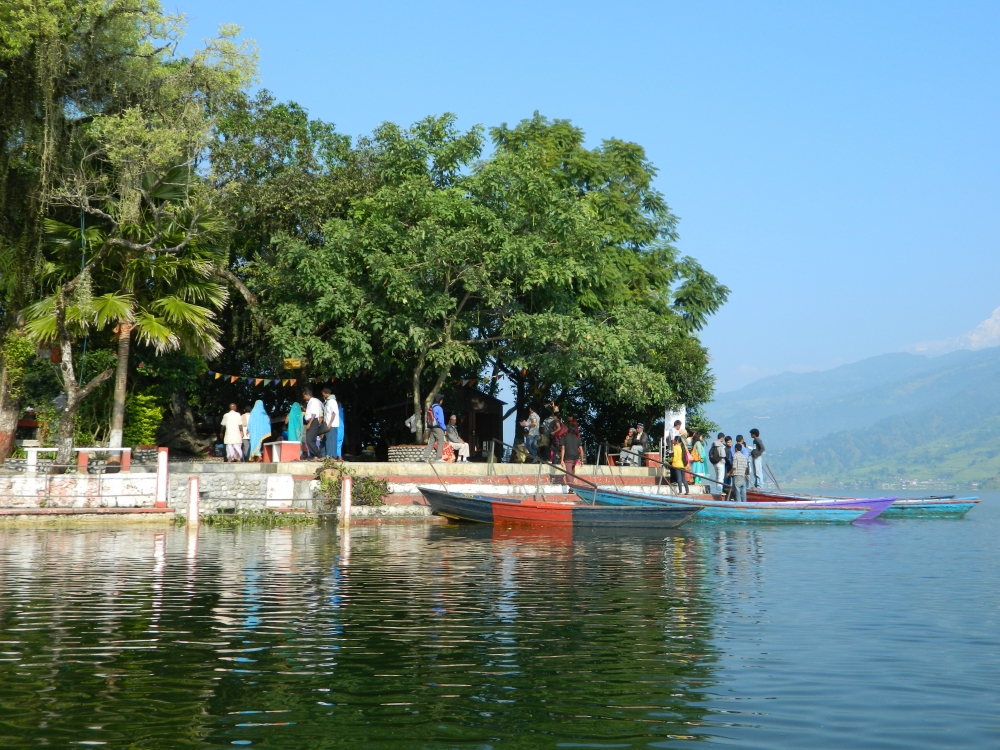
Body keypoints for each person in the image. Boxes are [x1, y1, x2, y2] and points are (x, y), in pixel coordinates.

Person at [302, 388, 325, 460]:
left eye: (304, 396)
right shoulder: (309, 402)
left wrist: (309, 424)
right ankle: (313, 456)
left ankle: (318, 455)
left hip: (313, 421)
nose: (304, 398)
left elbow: (314, 414)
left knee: (309, 439)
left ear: (307, 395)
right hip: (310, 421)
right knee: (309, 439)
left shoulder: (314, 401)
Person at [424, 394, 447, 462]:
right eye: (442, 400)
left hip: (432, 427)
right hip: (438, 427)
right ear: (439, 400)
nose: (442, 401)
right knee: (441, 442)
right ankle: (438, 458)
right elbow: (440, 420)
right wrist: (444, 429)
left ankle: (424, 457)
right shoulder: (439, 408)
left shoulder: (431, 407)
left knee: (431, 442)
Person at [322, 387, 340, 459]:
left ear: (327, 393)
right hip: (327, 424)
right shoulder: (327, 401)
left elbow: (334, 413)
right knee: (327, 440)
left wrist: (330, 424)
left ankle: (332, 456)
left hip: (332, 425)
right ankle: (327, 455)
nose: (323, 395)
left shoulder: (332, 401)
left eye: (323, 394)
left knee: (331, 440)